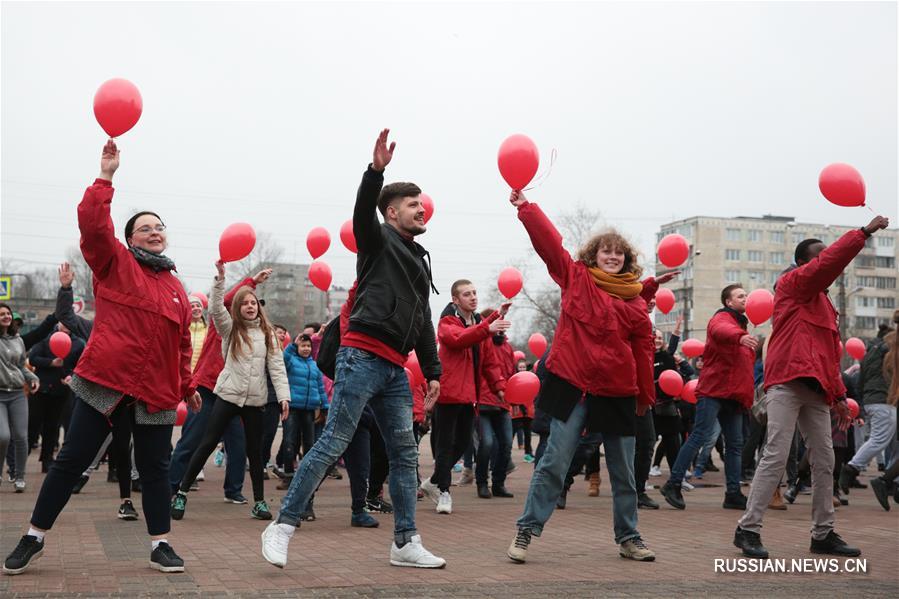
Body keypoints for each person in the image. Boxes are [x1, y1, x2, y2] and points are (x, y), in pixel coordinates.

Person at [4, 139, 202, 576]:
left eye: (160, 227)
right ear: (130, 238)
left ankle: (160, 544)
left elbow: (182, 344)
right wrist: (106, 177)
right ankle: (33, 536)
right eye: (146, 227)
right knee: (72, 459)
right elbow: (94, 229)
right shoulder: (115, 263)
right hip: (104, 382)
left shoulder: (176, 288)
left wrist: (187, 385)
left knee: (154, 469)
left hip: (154, 392)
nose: (155, 231)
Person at [261, 129, 445, 569]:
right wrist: (375, 172)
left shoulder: (420, 261)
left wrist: (434, 371)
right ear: (392, 211)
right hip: (361, 356)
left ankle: (404, 542)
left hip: (394, 370)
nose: (422, 209)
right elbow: (363, 211)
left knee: (404, 453)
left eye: (423, 203)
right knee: (334, 441)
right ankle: (282, 526)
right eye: (413, 204)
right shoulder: (378, 241)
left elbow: (422, 320)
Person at [505, 189, 656, 564]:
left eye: (618, 253)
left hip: (618, 391)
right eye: (606, 251)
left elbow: (643, 352)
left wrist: (644, 398)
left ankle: (629, 536)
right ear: (594, 256)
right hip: (572, 385)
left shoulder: (635, 302)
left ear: (626, 260)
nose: (612, 256)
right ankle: (526, 530)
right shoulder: (575, 277)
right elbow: (550, 244)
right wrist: (527, 208)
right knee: (554, 461)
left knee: (623, 472)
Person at [734, 215, 890, 559]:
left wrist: (838, 398)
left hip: (817, 390)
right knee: (775, 455)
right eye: (817, 257)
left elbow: (826, 356)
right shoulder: (791, 285)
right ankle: (748, 529)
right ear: (803, 264)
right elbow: (829, 264)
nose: (824, 261)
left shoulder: (826, 306)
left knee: (825, 460)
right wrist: (862, 233)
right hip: (786, 384)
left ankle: (823, 533)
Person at [171, 261, 290, 521]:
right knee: (206, 443)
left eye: (254, 303)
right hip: (226, 396)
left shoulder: (268, 333)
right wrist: (220, 280)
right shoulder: (229, 329)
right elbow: (215, 307)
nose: (250, 306)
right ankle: (180, 492)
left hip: (255, 401)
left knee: (254, 452)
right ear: (237, 308)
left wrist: (283, 396)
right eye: (245, 303)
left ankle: (258, 502)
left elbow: (277, 367)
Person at [659, 285, 756, 510]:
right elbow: (723, 331)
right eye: (741, 296)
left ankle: (733, 493)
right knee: (699, 436)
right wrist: (740, 337)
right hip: (714, 391)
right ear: (728, 302)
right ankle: (673, 484)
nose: (746, 299)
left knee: (734, 444)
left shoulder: (742, 326)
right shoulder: (721, 319)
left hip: (734, 395)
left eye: (747, 295)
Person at [420, 280, 510, 512]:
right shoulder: (447, 321)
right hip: (449, 394)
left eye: (474, 293)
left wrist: (498, 386)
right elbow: (459, 339)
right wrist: (487, 326)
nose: (473, 297)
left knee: (462, 443)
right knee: (445, 445)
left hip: (470, 395)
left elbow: (489, 360)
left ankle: (433, 482)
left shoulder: (479, 324)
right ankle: (444, 494)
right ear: (455, 300)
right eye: (466, 294)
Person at [838, 322, 897, 494]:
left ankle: (890, 482)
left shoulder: (869, 352)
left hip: (873, 399)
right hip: (884, 399)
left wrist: (863, 400)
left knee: (892, 443)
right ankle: (850, 469)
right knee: (879, 439)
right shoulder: (889, 352)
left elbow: (861, 377)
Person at [278, 333, 328, 519]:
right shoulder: (291, 360)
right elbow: (283, 359)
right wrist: (292, 345)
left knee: (310, 444)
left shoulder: (314, 366)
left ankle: (304, 473)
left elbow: (320, 387)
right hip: (292, 408)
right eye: (302, 345)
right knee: (290, 442)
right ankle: (289, 474)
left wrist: (324, 406)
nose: (306, 348)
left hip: (309, 410)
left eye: (308, 346)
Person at [27, 323, 85, 472]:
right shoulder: (46, 338)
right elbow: (33, 358)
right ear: (58, 323)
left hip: (61, 392)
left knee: (52, 428)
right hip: (41, 390)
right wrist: (50, 362)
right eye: (63, 321)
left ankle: (47, 460)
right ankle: (20, 460)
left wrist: (70, 377)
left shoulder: (78, 343)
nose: (66, 325)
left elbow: (80, 366)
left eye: (69, 321)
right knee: (32, 425)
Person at [0, 303, 43, 494]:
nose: (6, 316)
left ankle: (19, 477)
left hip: (17, 393)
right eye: (1, 314)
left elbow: (21, 366)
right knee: (3, 436)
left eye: (7, 313)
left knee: (21, 436)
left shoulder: (18, 340)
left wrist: (33, 379)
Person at [475, 308, 516, 500]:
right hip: (482, 402)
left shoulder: (508, 348)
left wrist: (513, 398)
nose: (501, 326)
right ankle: (482, 483)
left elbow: (511, 376)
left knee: (506, 443)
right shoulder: (481, 342)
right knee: (487, 444)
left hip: (502, 403)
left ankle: (499, 483)